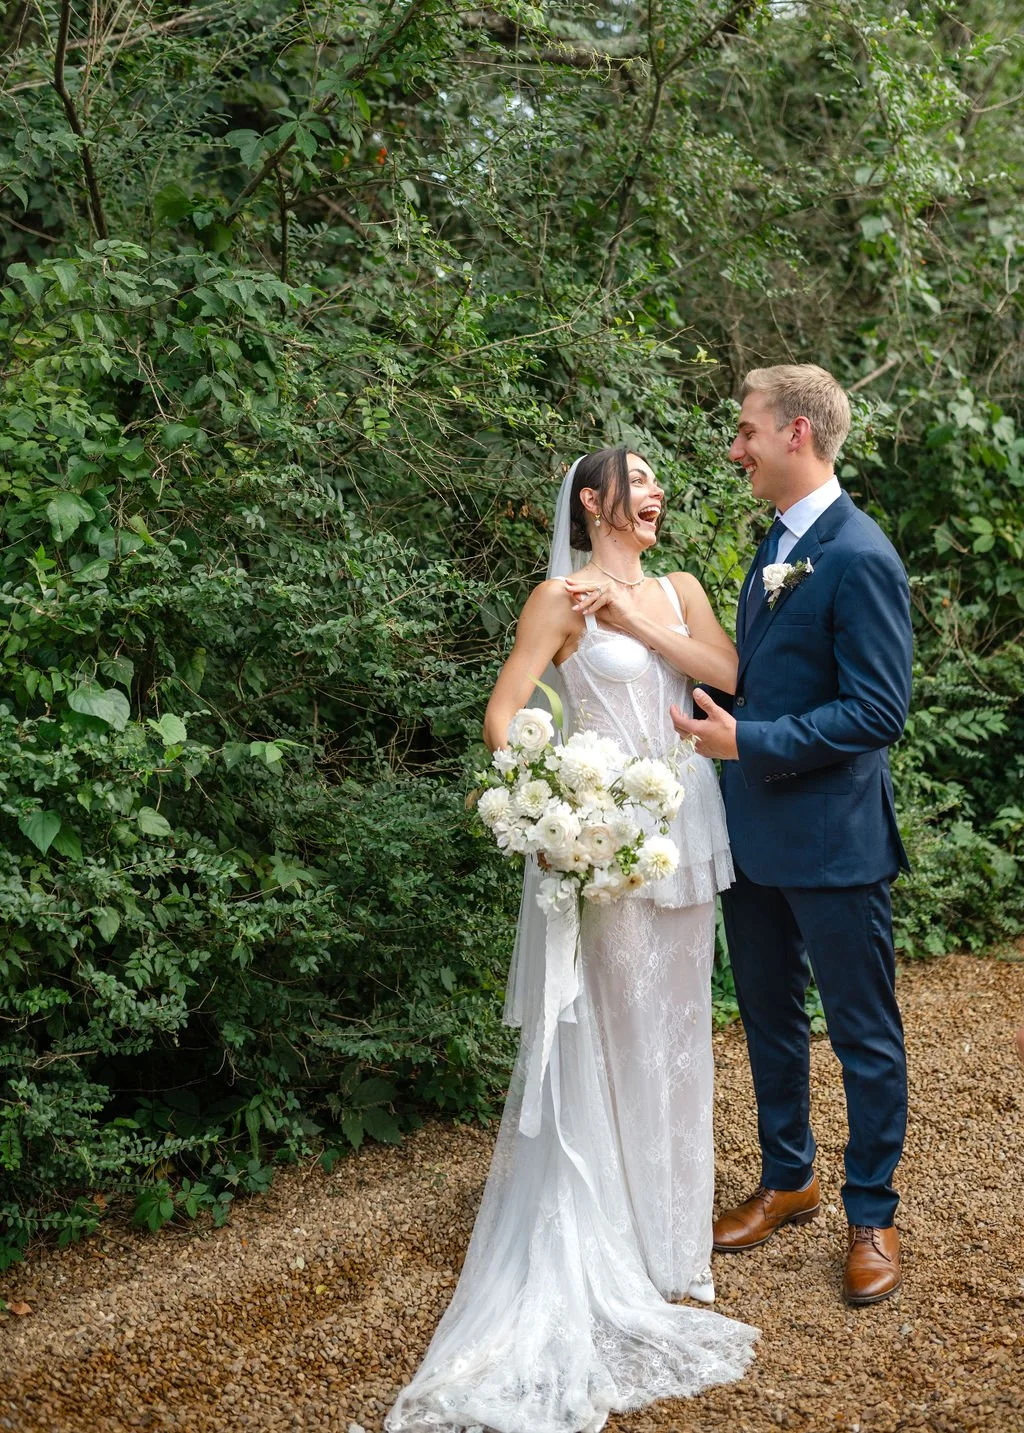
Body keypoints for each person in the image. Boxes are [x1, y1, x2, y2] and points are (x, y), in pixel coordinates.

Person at [386, 448, 757, 1433]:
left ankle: (678, 1249)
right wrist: (553, 807)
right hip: (605, 841)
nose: (653, 490)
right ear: (591, 501)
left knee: (684, 1035)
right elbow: (504, 716)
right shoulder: (555, 597)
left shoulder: (675, 586)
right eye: (633, 478)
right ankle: (617, 1244)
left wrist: (636, 618)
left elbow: (728, 672)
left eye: (657, 478)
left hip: (685, 828)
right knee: (619, 1029)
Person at [671, 364, 913, 1307]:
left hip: (836, 844)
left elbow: (879, 711)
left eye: (746, 431)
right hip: (755, 836)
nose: (735, 448)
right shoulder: (774, 544)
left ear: (798, 435)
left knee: (862, 1034)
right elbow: (759, 679)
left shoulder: (860, 555)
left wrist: (749, 740)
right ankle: (789, 1176)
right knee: (770, 1019)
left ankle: (872, 1212)